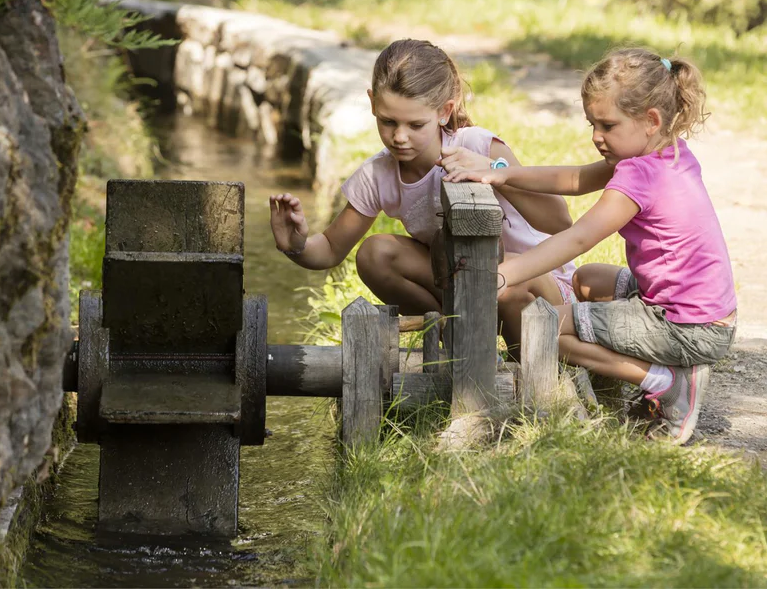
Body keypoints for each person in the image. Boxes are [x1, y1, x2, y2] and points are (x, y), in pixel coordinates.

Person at [445, 48, 736, 444]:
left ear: (651, 120)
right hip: (702, 312)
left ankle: (667, 383)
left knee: (543, 328)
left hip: (685, 326)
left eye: (607, 125)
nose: (597, 136)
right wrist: (501, 172)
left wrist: (501, 274)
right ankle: (626, 377)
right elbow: (576, 178)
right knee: (586, 280)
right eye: (591, 124)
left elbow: (577, 237)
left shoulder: (638, 178)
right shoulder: (666, 151)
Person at [269, 38, 576, 350]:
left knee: (493, 272)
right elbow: (332, 248)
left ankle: (525, 359)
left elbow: (559, 221)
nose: (399, 137)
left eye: (415, 124)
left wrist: (495, 172)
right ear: (373, 103)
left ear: (444, 112)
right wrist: (296, 245)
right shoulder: (378, 175)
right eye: (388, 121)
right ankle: (457, 340)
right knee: (375, 254)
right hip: (470, 283)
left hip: (537, 286)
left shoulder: (478, 146)